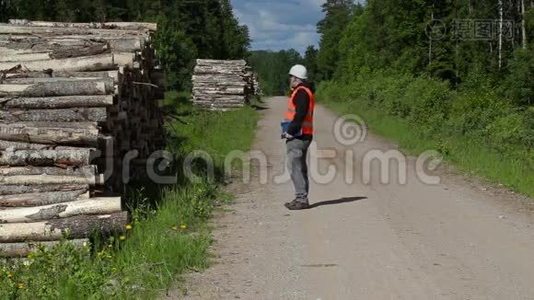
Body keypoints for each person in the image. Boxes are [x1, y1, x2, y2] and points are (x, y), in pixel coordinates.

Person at [282, 64, 315, 210]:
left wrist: (291, 131)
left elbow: (300, 114)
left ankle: (301, 199)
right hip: (304, 135)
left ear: (296, 78)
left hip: (299, 136)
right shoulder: (305, 91)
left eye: (291, 77)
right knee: (300, 167)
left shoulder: (301, 92)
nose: (289, 80)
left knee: (296, 167)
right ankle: (302, 197)